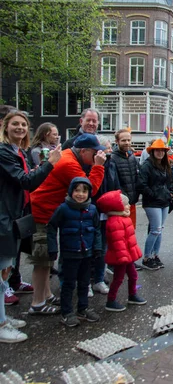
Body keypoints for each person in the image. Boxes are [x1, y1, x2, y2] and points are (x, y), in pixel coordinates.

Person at [0, 110, 61, 342]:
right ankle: (1, 324)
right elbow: (25, 182)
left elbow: (27, 178)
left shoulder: (18, 152)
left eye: (24, 125)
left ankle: (3, 317)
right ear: (6, 127)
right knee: (1, 272)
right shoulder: (3, 152)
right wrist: (49, 165)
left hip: (13, 217)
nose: (20, 128)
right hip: (4, 218)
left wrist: (38, 170)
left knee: (4, 272)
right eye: (15, 124)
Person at [30, 133, 106, 315]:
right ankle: (37, 303)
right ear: (84, 150)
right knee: (42, 259)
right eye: (95, 153)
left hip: (47, 211)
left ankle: (46, 294)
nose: (97, 156)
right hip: (42, 212)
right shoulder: (69, 163)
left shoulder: (67, 156)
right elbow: (89, 189)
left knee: (47, 260)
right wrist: (98, 167)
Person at [46, 177, 102, 327]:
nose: (80, 194)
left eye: (84, 191)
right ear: (71, 191)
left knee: (84, 282)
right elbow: (51, 227)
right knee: (69, 284)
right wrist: (52, 248)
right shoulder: (63, 209)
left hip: (87, 252)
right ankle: (67, 312)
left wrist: (97, 247)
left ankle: (82, 308)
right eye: (77, 190)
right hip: (70, 253)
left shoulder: (92, 209)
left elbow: (97, 229)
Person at [96, 190, 146, 312]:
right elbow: (117, 242)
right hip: (121, 257)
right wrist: (124, 256)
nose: (129, 206)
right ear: (118, 206)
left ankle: (132, 295)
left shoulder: (123, 218)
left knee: (133, 275)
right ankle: (111, 300)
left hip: (126, 255)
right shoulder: (115, 222)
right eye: (126, 204)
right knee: (118, 278)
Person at [89, 135, 121, 296]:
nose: (110, 149)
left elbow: (115, 184)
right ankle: (87, 281)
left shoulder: (111, 164)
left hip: (106, 210)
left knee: (103, 247)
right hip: (94, 209)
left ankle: (99, 279)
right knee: (91, 248)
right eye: (107, 147)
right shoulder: (92, 165)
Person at [138, 139, 172, 270]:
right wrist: (153, 194)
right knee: (155, 230)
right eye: (157, 150)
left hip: (164, 201)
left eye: (162, 150)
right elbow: (141, 185)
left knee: (160, 229)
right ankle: (146, 258)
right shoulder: (147, 166)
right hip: (152, 203)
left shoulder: (165, 165)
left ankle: (155, 255)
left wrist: (170, 193)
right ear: (152, 152)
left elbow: (169, 181)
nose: (160, 152)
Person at [111, 129, 140, 228]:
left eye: (128, 140)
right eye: (123, 140)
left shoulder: (132, 158)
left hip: (132, 203)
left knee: (131, 231)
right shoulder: (112, 159)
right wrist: (124, 199)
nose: (127, 143)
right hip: (120, 204)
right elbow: (114, 182)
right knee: (121, 233)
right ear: (117, 141)